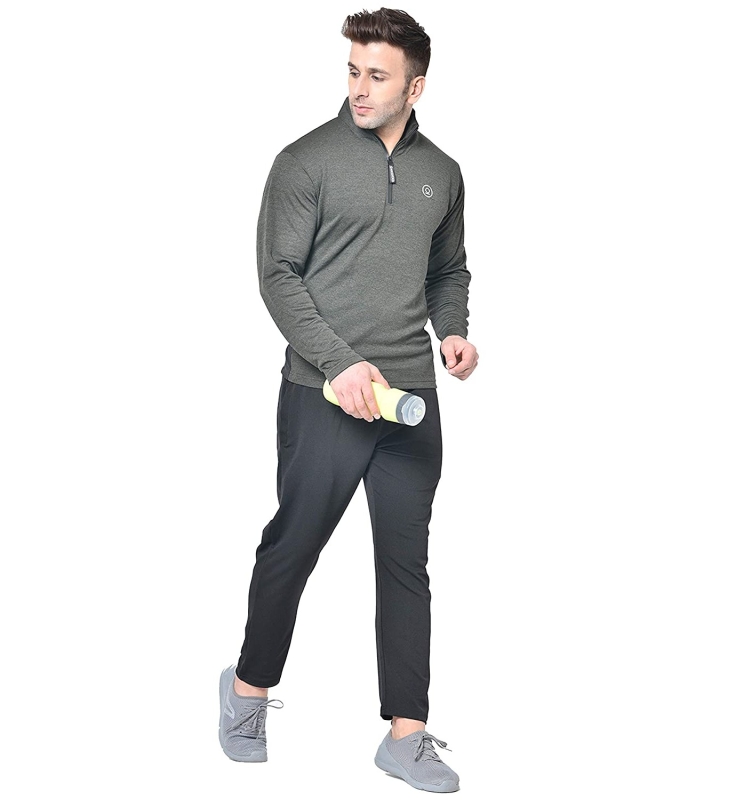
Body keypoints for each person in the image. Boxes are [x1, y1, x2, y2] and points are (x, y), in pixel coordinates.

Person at [218, 7, 478, 793]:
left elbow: (448, 269)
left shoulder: (443, 172)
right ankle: (246, 692)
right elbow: (278, 277)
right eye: (354, 71)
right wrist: (341, 363)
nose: (361, 88)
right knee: (294, 545)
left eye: (378, 76)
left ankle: (406, 735)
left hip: (410, 401)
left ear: (415, 87)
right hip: (322, 394)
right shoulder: (306, 161)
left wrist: (454, 332)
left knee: (406, 565)